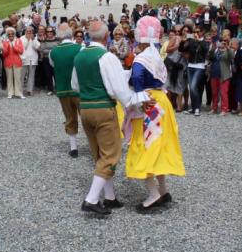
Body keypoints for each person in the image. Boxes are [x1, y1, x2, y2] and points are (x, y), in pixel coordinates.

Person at [72, 20, 153, 216]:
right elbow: (119, 90)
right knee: (111, 154)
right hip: (103, 108)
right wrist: (137, 101)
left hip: (86, 108)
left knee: (99, 154)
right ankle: (91, 199)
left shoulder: (80, 55)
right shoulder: (107, 57)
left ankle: (110, 197)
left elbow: (75, 85)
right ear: (106, 36)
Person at [125, 16, 185, 211]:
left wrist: (138, 96)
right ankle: (163, 189)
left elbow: (136, 79)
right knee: (158, 145)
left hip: (148, 105)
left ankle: (153, 194)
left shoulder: (141, 59)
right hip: (161, 102)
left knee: (145, 146)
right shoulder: (155, 55)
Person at [49, 23, 82, 158]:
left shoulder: (53, 52)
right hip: (79, 89)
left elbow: (53, 65)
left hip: (63, 90)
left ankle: (73, 147)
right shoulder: (79, 48)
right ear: (71, 34)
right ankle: (95, 144)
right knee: (85, 117)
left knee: (69, 117)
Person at [207, 33, 234, 115]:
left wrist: (227, 48)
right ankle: (214, 108)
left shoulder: (229, 50)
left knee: (223, 93)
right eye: (220, 41)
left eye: (224, 41)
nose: (222, 42)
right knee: (214, 93)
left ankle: (224, 109)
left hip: (224, 75)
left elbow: (232, 57)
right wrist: (213, 47)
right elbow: (209, 57)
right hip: (214, 74)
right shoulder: (215, 50)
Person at [185, 27, 210, 116]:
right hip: (190, 65)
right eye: (194, 31)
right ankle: (194, 107)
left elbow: (206, 51)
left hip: (200, 66)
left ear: (202, 32)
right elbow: (183, 49)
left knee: (193, 87)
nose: (196, 33)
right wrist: (186, 40)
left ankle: (197, 108)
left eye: (198, 31)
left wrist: (199, 40)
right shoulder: (191, 41)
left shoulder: (205, 42)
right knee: (191, 88)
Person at [2, 27, 25, 99]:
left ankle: (19, 93)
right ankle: (10, 93)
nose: (11, 35)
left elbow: (21, 51)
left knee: (18, 78)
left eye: (12, 34)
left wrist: (14, 47)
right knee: (9, 78)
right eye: (9, 34)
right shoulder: (5, 42)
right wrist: (7, 48)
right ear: (7, 35)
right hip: (8, 62)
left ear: (14, 34)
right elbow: (4, 54)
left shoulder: (18, 41)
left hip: (17, 61)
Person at [39, 27, 59, 95]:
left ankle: (58, 88)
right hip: (46, 59)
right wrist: (53, 50)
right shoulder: (43, 40)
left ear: (53, 32)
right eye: (48, 32)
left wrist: (49, 51)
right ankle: (50, 89)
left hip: (56, 59)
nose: (49, 33)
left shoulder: (57, 40)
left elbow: (59, 48)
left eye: (51, 31)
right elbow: (42, 50)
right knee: (48, 74)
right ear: (46, 33)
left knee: (56, 74)